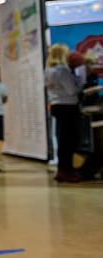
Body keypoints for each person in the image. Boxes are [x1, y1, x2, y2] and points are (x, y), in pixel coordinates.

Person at [45, 43, 82, 182]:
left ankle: (63, 169)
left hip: (57, 105)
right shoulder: (62, 71)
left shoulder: (48, 70)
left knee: (63, 139)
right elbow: (72, 90)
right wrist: (81, 83)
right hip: (68, 106)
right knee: (70, 140)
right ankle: (66, 169)